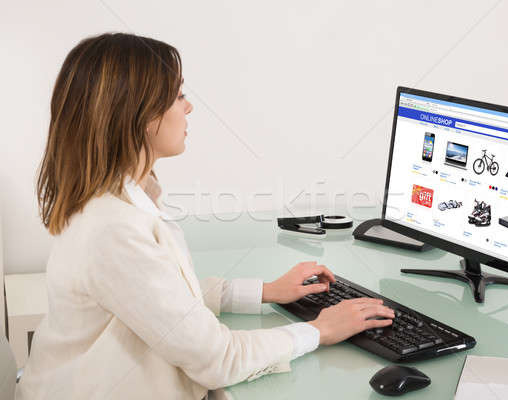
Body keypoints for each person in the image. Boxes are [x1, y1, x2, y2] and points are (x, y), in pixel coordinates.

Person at [16, 32, 394, 399]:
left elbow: (167, 297)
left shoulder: (120, 195)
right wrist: (320, 330)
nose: (189, 107)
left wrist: (266, 292)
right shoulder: (113, 228)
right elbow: (218, 360)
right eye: (179, 96)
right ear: (142, 115)